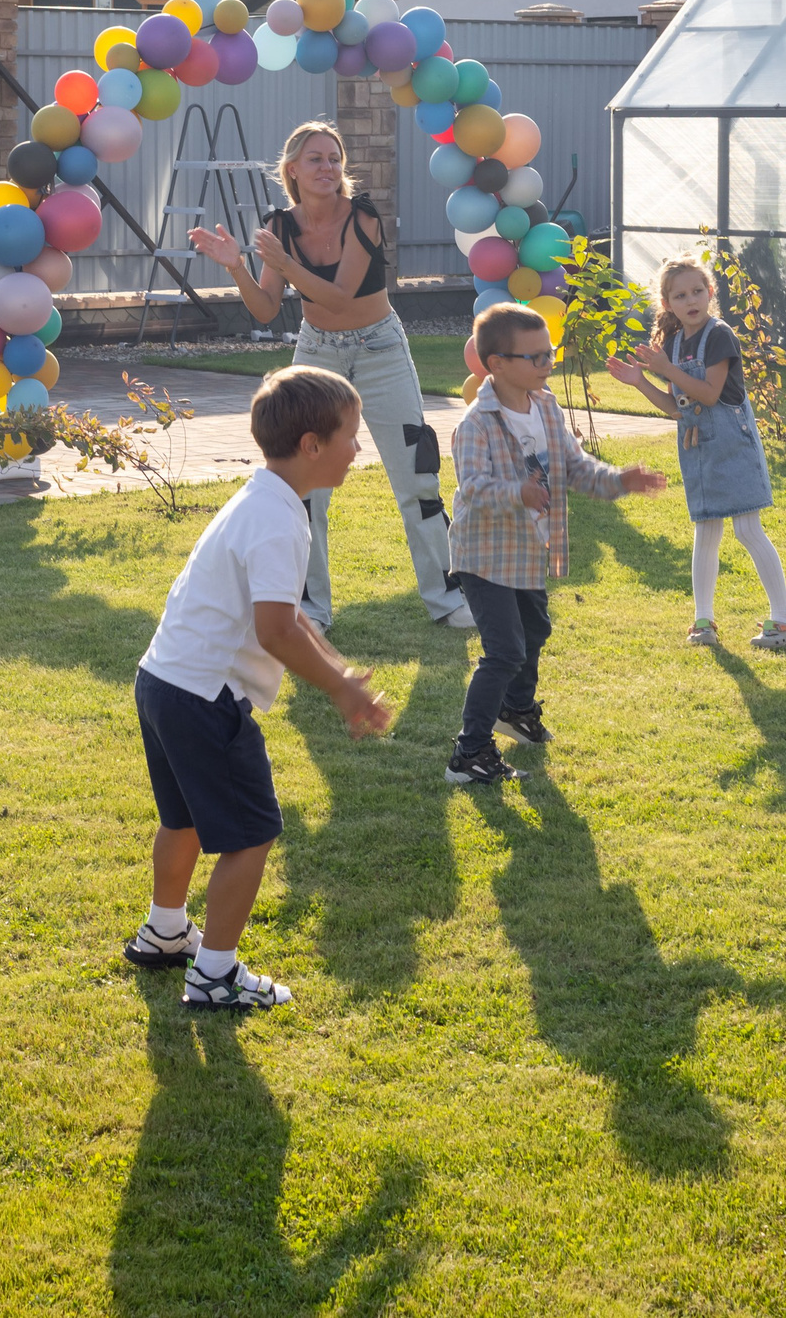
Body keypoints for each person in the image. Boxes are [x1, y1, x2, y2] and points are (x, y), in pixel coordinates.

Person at [121, 365, 395, 1010]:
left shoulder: (263, 498)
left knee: (183, 818)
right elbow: (275, 631)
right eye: (352, 436)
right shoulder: (280, 521)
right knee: (250, 835)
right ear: (311, 445)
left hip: (163, 680)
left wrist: (337, 663)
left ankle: (165, 933)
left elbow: (286, 614)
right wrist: (341, 690)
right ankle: (214, 973)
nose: (359, 449)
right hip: (203, 698)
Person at [188, 122, 472, 630]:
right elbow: (265, 307)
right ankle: (311, 610)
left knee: (416, 475)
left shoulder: (362, 217)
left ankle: (448, 598)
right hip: (317, 348)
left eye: (334, 159)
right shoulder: (280, 228)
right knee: (304, 484)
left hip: (380, 346)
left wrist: (283, 264)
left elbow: (340, 296)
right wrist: (237, 267)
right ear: (292, 170)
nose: (328, 168)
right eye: (316, 159)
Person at [447, 303, 666, 784]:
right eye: (536, 358)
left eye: (550, 354)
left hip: (528, 552)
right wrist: (517, 492)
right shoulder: (476, 425)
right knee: (503, 651)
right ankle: (469, 754)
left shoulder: (546, 407)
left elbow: (574, 466)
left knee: (536, 633)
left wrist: (619, 481)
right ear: (497, 364)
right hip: (484, 555)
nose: (548, 364)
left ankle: (516, 710)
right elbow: (472, 489)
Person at [605, 254, 786, 649]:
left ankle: (784, 620)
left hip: (732, 445)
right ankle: (704, 621)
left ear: (711, 293)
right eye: (680, 295)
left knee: (748, 530)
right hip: (696, 449)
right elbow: (675, 406)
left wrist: (665, 368)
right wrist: (641, 381)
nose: (691, 299)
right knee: (706, 531)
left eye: (698, 290)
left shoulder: (720, 336)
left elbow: (710, 395)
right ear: (667, 304)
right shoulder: (673, 343)